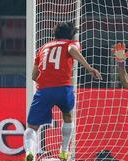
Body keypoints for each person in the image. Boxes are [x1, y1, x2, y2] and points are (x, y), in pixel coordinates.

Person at [24, 22, 102, 161]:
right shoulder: (72, 43)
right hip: (63, 89)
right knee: (67, 116)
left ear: (55, 34)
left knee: (32, 127)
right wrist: (89, 68)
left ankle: (30, 152)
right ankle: (64, 151)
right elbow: (72, 49)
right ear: (71, 35)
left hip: (44, 90)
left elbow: (33, 76)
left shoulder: (44, 47)